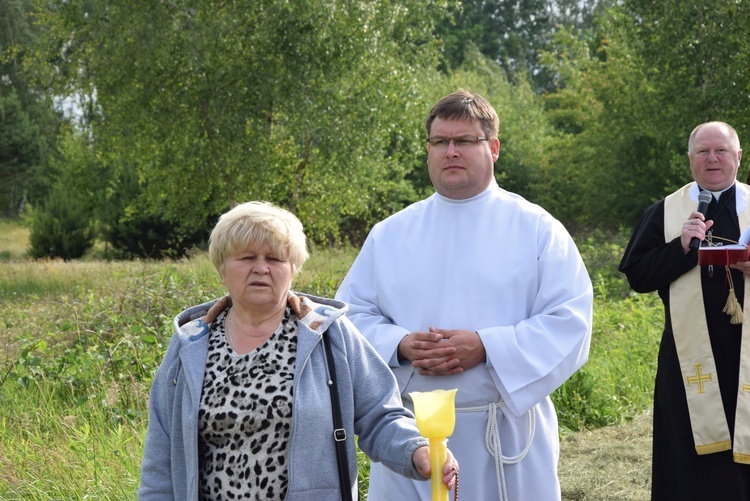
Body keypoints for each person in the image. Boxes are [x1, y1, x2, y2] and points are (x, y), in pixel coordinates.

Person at [335, 89, 594, 500]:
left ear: (493, 148)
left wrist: (487, 347)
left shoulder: (537, 228)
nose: (450, 151)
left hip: (505, 434)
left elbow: (570, 321)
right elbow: (349, 318)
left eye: (464, 141)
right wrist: (400, 345)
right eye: (440, 142)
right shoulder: (390, 234)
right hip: (410, 436)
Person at [138, 201, 458, 500]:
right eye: (247, 257)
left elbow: (380, 415)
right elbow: (161, 456)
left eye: (275, 259)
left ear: (293, 269)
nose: (261, 269)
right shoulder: (191, 343)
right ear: (222, 267)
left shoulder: (329, 335)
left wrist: (417, 451)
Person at [619, 121, 750, 499]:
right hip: (687, 356)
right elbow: (639, 276)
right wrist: (680, 247)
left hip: (747, 352)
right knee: (690, 461)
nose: (712, 158)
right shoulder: (665, 212)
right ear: (690, 160)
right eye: (703, 152)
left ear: (738, 157)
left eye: (721, 150)